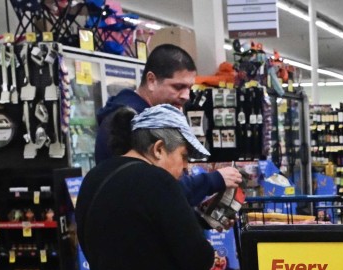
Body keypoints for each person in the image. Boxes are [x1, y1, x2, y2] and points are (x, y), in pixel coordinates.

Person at [78, 104, 215, 270]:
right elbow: (196, 257)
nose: (186, 168)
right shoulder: (159, 182)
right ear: (159, 148)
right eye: (184, 156)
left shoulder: (95, 177)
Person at [94, 44, 241, 205]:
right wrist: (213, 180)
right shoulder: (133, 123)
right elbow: (161, 188)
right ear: (151, 80)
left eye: (189, 88)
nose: (186, 96)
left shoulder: (146, 118)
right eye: (178, 87)